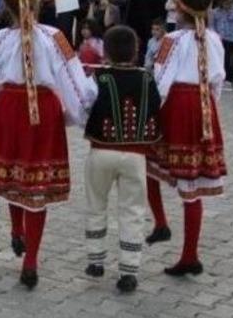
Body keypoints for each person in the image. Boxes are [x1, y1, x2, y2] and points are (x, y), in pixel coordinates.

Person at [0, 0, 96, 289]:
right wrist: (81, 115)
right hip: (43, 110)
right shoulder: (55, 36)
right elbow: (73, 81)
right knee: (36, 182)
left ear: (8, 6)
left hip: (8, 109)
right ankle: (31, 260)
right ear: (37, 1)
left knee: (15, 171)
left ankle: (17, 231)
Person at [145, 0, 226, 277]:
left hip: (177, 107)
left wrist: (152, 112)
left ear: (182, 8)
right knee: (192, 184)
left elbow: (161, 81)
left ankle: (162, 223)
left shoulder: (172, 40)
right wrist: (209, 109)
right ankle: (188, 251)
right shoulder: (214, 39)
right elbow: (217, 79)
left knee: (149, 163)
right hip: (204, 107)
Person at [83, 26, 162, 293]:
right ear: (136, 51)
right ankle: (129, 269)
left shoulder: (99, 76)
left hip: (101, 149)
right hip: (135, 154)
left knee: (96, 203)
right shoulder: (148, 78)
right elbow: (156, 108)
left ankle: (95, 260)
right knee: (132, 210)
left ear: (105, 52)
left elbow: (85, 106)